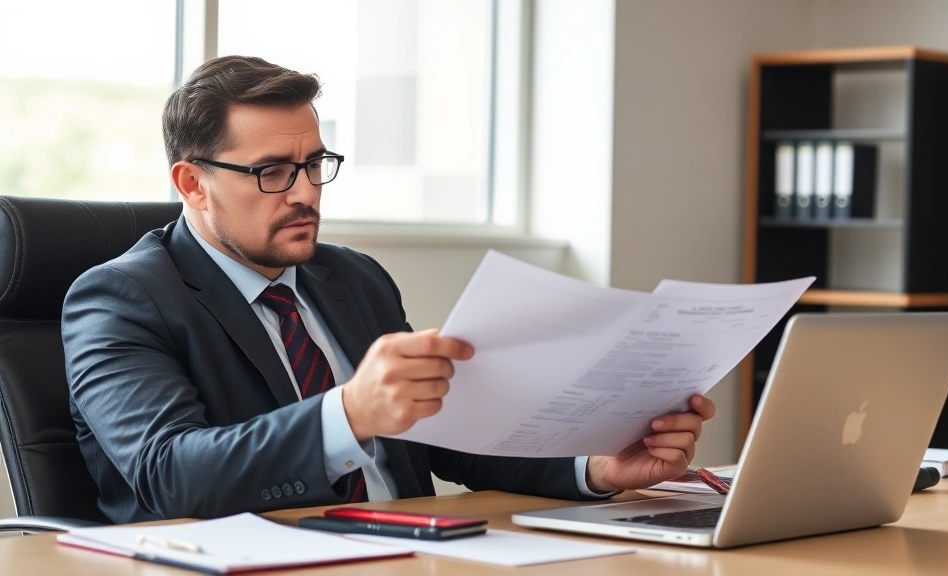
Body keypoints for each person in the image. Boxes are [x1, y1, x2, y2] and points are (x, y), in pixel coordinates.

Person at [62, 55, 716, 524]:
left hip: (415, 551)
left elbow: (444, 436)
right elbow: (169, 475)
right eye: (271, 172)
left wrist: (593, 467)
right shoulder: (119, 300)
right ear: (191, 183)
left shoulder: (351, 278)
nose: (305, 192)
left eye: (315, 163)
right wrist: (348, 416)